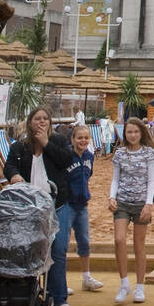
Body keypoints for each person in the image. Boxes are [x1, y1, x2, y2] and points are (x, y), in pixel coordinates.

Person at [2, 106, 75, 306]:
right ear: (29, 122)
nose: (41, 122)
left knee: (58, 250)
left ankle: (59, 298)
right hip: (28, 208)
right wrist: (14, 175)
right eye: (37, 118)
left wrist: (45, 143)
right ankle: (30, 294)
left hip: (56, 205)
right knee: (30, 252)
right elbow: (8, 166)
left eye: (45, 119)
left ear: (50, 123)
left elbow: (66, 160)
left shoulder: (59, 140)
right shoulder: (19, 146)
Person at [110, 117, 154, 304]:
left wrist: (148, 204)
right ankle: (124, 283)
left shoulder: (149, 154)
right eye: (129, 132)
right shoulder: (120, 154)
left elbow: (151, 180)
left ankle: (139, 286)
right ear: (125, 133)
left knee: (139, 244)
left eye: (136, 132)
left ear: (142, 133)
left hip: (141, 203)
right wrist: (111, 196)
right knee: (119, 239)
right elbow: (115, 179)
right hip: (122, 201)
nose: (133, 135)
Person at [64, 124, 104, 293]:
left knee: (84, 241)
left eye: (86, 138)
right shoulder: (66, 156)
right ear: (73, 139)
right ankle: (61, 280)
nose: (83, 141)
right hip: (67, 204)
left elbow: (89, 174)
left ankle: (86, 277)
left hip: (82, 204)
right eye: (79, 138)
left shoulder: (89, 156)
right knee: (62, 244)